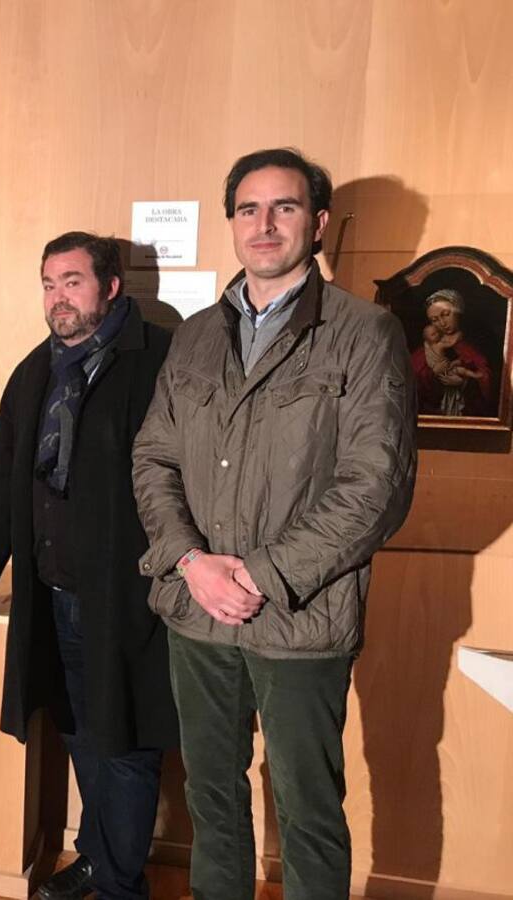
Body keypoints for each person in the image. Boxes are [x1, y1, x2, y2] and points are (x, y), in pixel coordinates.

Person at [133, 148, 418, 899]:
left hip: (302, 616)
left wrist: (262, 574)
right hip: (198, 610)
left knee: (308, 808)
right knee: (211, 796)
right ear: (232, 222)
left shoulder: (365, 332)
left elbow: (377, 485)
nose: (264, 224)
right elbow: (154, 458)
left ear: (317, 223)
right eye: (248, 209)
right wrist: (190, 561)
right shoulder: (196, 335)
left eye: (283, 207)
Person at [0, 232, 179, 899]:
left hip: (128, 595)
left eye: (73, 282)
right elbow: (4, 467)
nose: (58, 297)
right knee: (81, 731)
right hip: (52, 589)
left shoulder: (157, 361)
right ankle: (96, 857)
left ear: (111, 287)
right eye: (49, 283)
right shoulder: (37, 370)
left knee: (127, 740)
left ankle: (121, 884)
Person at [410, 288, 492, 416]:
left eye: (446, 314)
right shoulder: (424, 351)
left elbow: (489, 381)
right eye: (434, 320)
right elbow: (412, 384)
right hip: (432, 417)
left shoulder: (476, 344)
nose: (442, 323)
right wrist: (433, 375)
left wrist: (465, 383)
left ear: (458, 311)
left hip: (469, 417)